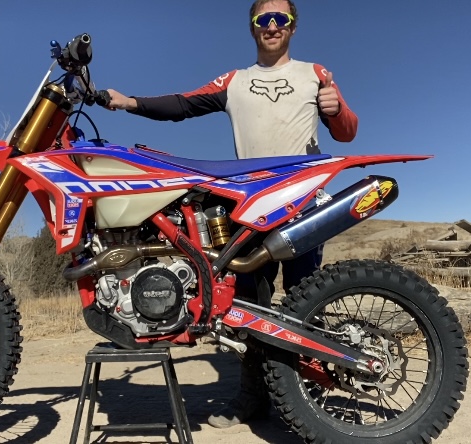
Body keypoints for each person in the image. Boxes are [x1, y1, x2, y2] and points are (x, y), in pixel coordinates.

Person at [105, 0, 358, 429]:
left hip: (302, 201)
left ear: (293, 27)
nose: (272, 26)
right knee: (248, 306)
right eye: (264, 19)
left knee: (307, 301)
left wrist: (336, 109)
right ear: (253, 27)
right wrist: (130, 102)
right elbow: (183, 105)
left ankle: (309, 400)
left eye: (281, 19)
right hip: (251, 205)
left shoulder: (315, 74)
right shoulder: (234, 82)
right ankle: (252, 398)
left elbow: (347, 133)